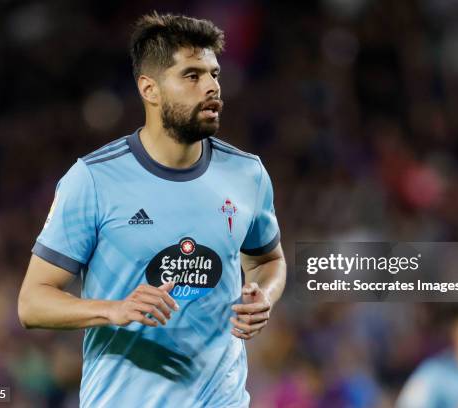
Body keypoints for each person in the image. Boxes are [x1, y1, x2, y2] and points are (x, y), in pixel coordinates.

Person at [18, 12, 286, 408]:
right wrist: (115, 310)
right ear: (150, 89)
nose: (211, 87)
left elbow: (269, 260)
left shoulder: (248, 173)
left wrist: (262, 295)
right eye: (192, 76)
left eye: (214, 74)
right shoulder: (93, 180)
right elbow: (32, 303)